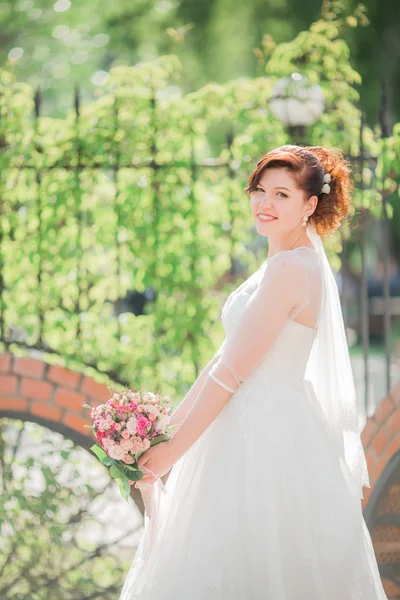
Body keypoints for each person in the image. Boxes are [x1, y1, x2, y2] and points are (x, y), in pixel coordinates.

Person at [119, 145, 388, 599]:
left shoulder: (288, 269)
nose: (265, 203)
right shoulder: (282, 265)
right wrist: (162, 435)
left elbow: (230, 373)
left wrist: (173, 453)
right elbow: (220, 362)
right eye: (259, 190)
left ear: (309, 205)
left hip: (264, 436)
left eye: (282, 194)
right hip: (254, 422)